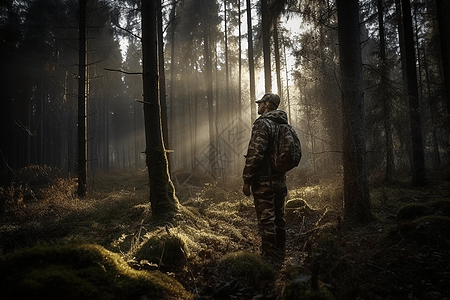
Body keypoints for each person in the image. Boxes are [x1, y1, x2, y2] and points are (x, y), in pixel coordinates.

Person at [242, 92, 288, 258]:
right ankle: (281, 253)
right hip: (280, 180)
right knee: (279, 216)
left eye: (260, 103)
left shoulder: (263, 124)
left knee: (266, 218)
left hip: (263, 181)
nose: (258, 105)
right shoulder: (282, 124)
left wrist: (247, 180)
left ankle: (269, 257)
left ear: (267, 104)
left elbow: (255, 154)